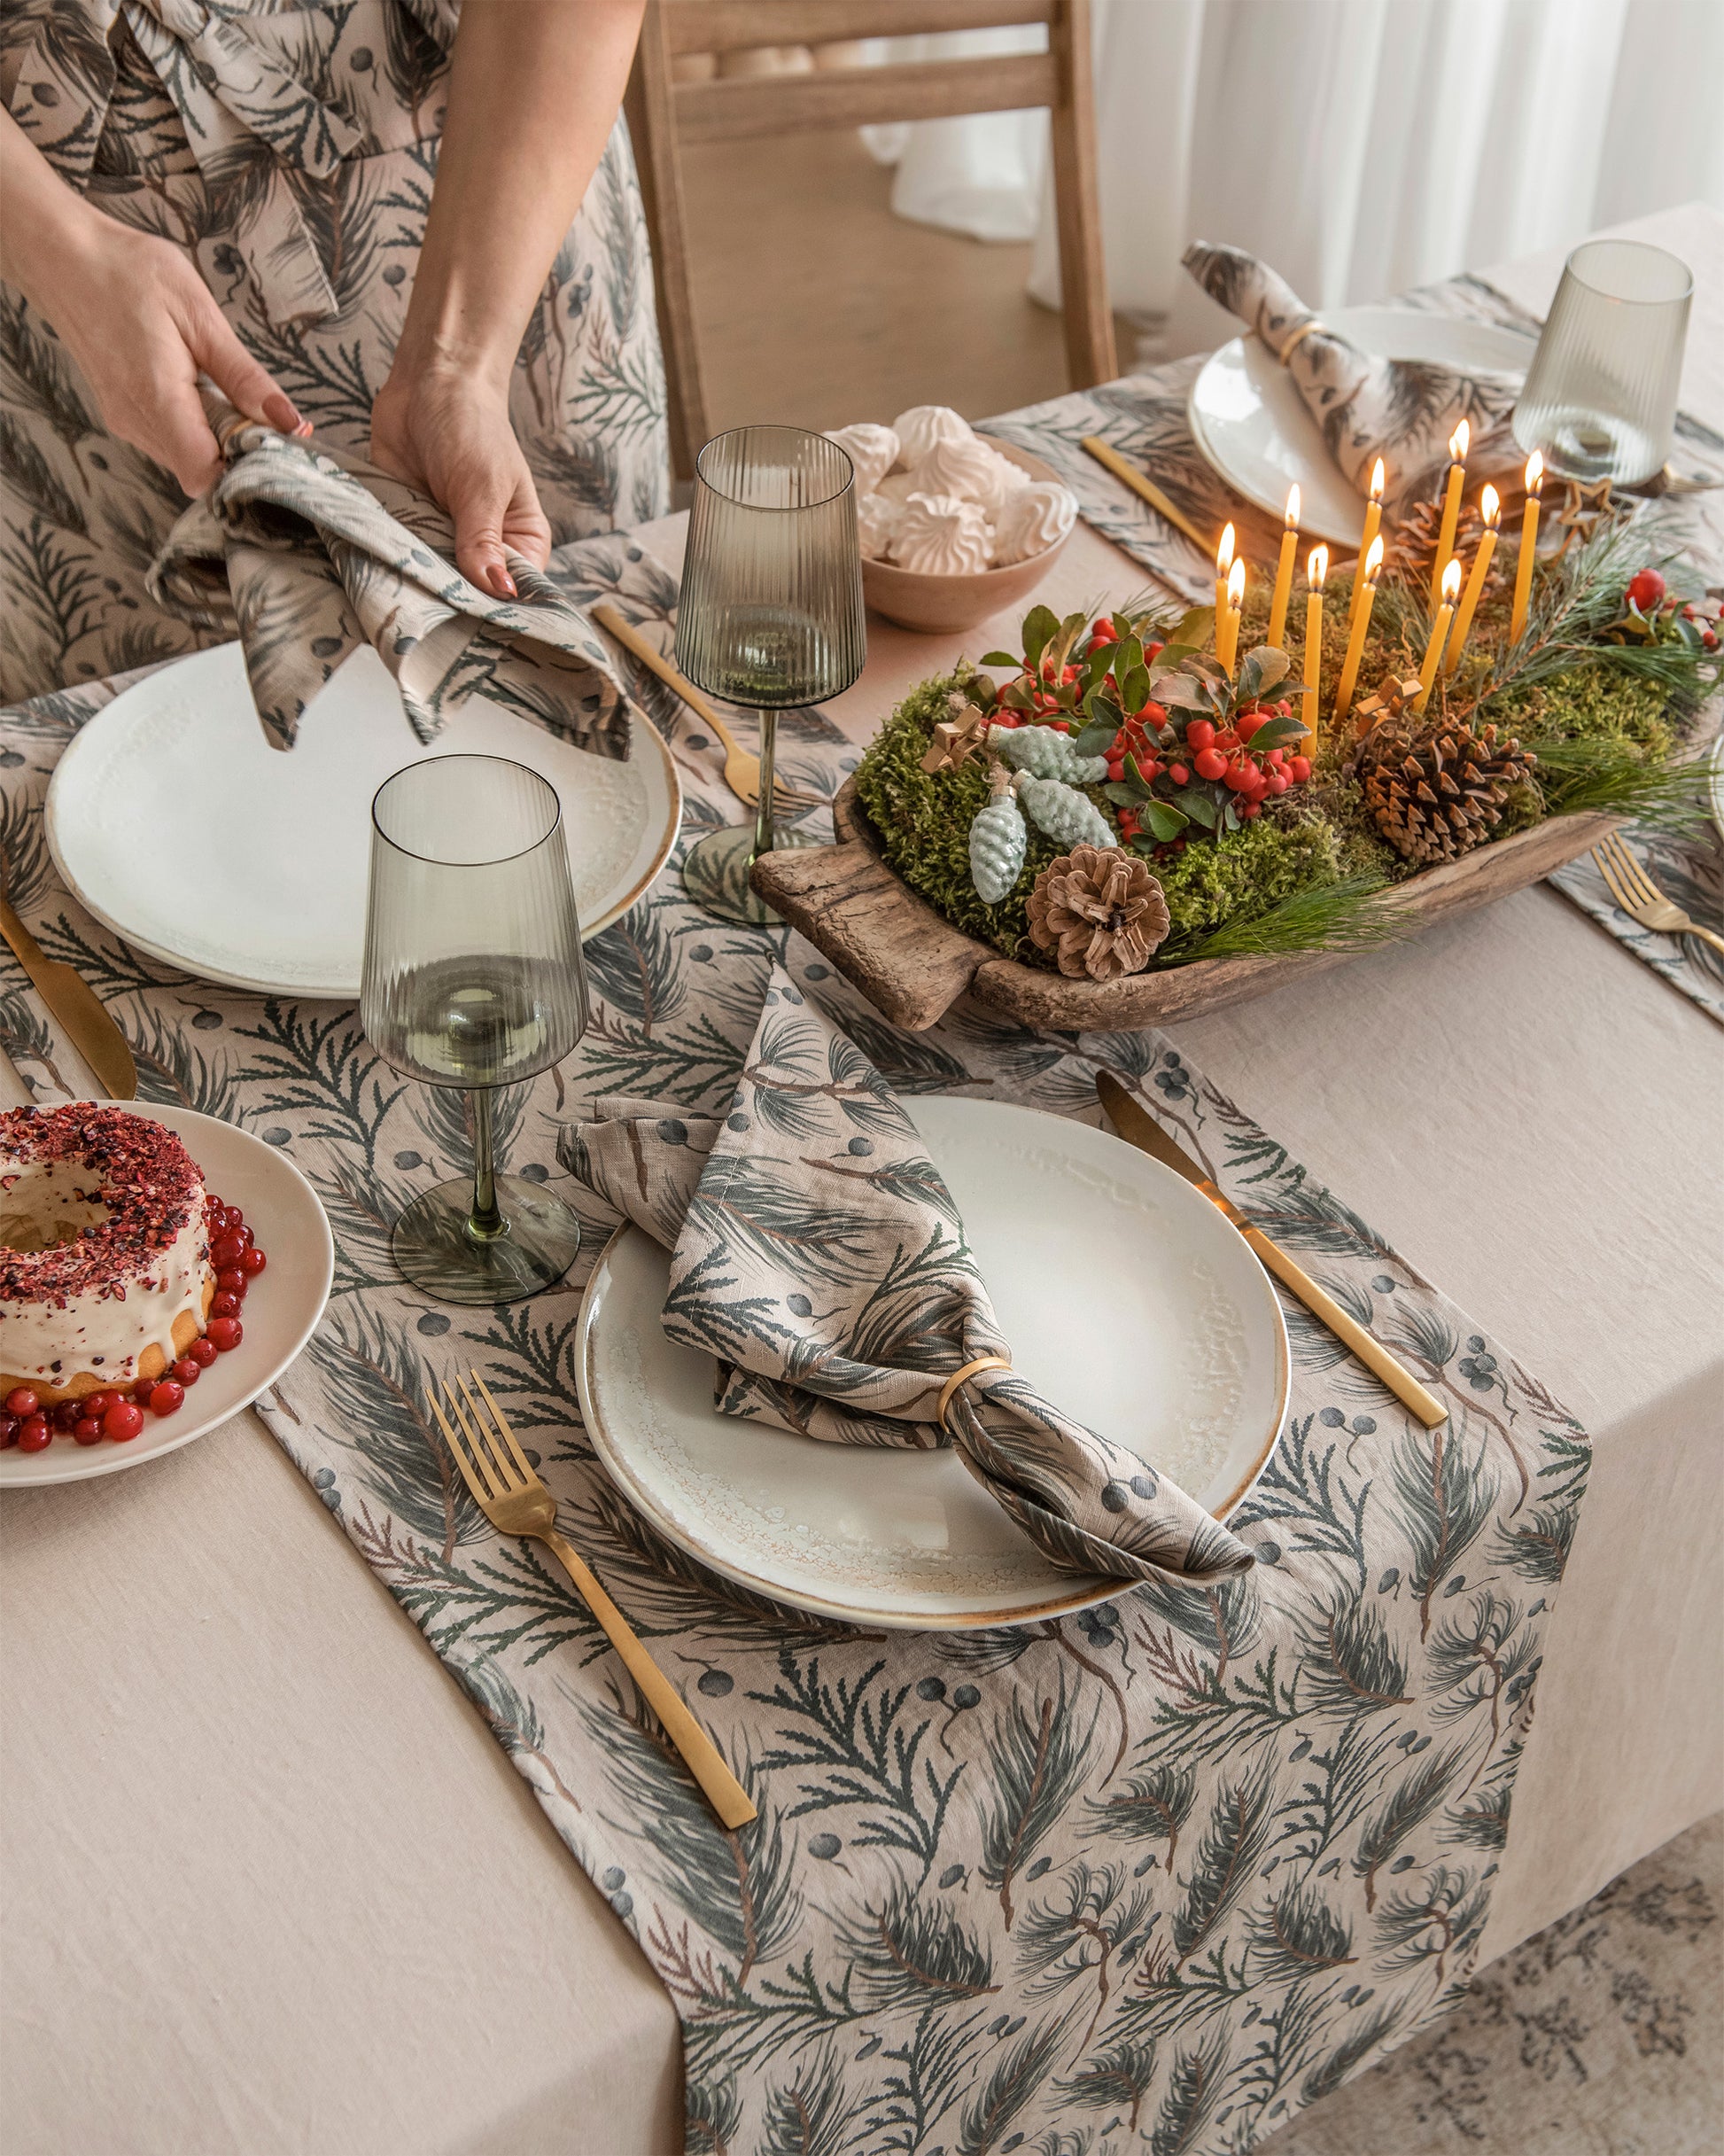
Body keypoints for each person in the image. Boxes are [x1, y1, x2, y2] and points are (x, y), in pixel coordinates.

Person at [0, 0, 667, 704]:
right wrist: (64, 255)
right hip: (49, 260)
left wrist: (460, 368)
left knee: (577, 748)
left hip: (508, 187)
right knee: (141, 768)